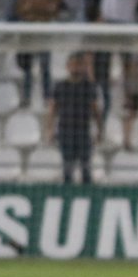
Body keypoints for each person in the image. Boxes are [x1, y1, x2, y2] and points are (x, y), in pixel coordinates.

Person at [45, 52, 103, 185]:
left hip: (83, 132)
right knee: (67, 168)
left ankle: (87, 196)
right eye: (73, 65)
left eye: (79, 65)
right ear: (67, 67)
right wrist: (50, 129)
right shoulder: (60, 86)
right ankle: (68, 194)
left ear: (84, 67)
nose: (76, 68)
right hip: (65, 131)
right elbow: (53, 109)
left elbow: (96, 110)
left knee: (86, 167)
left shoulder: (89, 87)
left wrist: (100, 130)